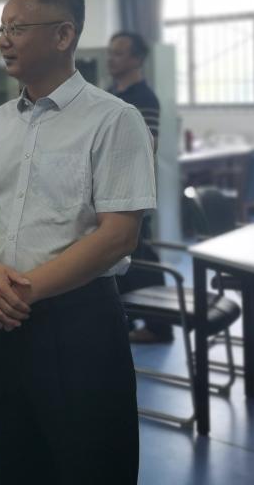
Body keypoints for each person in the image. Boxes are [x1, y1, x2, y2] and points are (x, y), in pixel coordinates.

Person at [0, 0, 156, 484]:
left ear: (63, 35)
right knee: (15, 459)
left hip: (78, 323)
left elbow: (119, 235)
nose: (3, 40)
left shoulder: (114, 119)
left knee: (91, 465)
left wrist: (18, 291)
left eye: (17, 28)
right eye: (1, 29)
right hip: (2, 320)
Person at [107, 31, 172, 344]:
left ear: (137, 59)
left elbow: (148, 144)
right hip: (107, 190)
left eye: (119, 53)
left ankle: (160, 326)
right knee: (119, 261)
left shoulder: (144, 97)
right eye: (111, 52)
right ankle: (127, 321)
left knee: (140, 258)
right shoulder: (109, 93)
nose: (111, 58)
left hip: (131, 190)